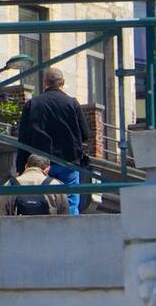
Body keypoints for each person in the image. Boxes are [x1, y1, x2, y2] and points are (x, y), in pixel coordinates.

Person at [15, 68, 91, 215]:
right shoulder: (72, 103)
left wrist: (20, 167)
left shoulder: (33, 104)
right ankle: (70, 232)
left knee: (42, 202)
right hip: (68, 162)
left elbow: (23, 139)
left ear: (45, 83)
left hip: (40, 163)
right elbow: (85, 134)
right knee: (70, 204)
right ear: (62, 83)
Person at [0, 155, 68, 216]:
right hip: (47, 230)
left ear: (26, 166)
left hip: (17, 230)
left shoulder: (10, 184)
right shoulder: (55, 185)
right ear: (47, 169)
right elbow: (65, 216)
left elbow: (0, 215)